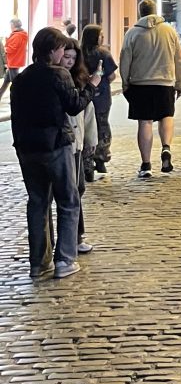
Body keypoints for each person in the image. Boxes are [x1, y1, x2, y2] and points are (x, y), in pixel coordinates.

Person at [10, 26, 95, 280]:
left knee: (38, 203)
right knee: (68, 201)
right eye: (60, 49)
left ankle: (38, 263)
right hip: (55, 145)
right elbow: (74, 106)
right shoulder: (59, 75)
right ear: (52, 50)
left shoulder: (22, 78)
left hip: (27, 148)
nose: (63, 53)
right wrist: (92, 87)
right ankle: (65, 260)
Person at [119, 0, 181, 179]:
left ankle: (146, 164)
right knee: (166, 116)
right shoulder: (170, 31)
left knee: (145, 122)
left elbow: (125, 59)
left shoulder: (132, 33)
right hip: (165, 82)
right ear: (156, 10)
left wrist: (125, 82)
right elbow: (178, 59)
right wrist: (179, 82)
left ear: (140, 12)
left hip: (140, 84)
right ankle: (166, 148)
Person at [60, 38, 97, 255]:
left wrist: (90, 141)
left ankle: (77, 236)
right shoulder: (58, 80)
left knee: (78, 189)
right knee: (71, 193)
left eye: (73, 58)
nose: (69, 62)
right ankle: (71, 240)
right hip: (65, 143)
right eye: (66, 57)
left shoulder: (78, 80)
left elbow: (87, 114)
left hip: (78, 142)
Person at [80, 24, 118, 177]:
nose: (102, 37)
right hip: (101, 97)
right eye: (101, 34)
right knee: (102, 126)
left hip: (83, 97)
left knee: (84, 128)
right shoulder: (103, 53)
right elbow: (111, 76)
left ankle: (86, 161)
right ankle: (101, 158)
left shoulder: (79, 53)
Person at [0, 17, 28, 102]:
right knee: (6, 81)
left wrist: (4, 49)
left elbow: (12, 48)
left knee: (16, 84)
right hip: (16, 60)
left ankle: (18, 99)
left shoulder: (17, 35)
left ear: (13, 25)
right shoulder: (22, 34)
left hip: (13, 61)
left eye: (10, 25)